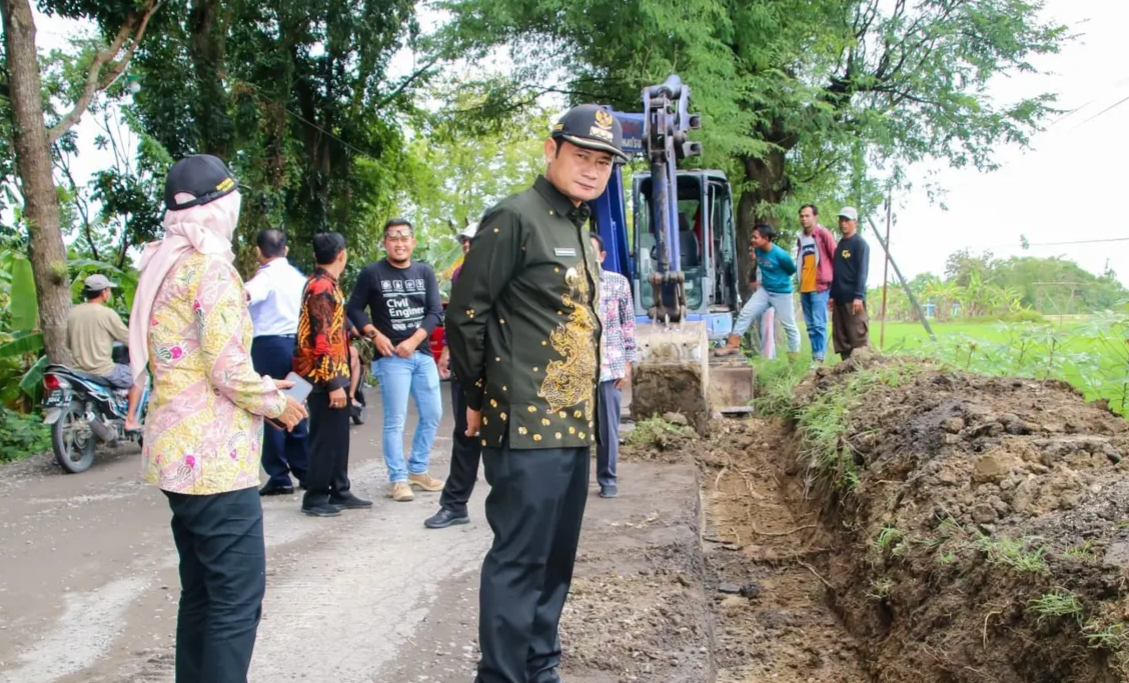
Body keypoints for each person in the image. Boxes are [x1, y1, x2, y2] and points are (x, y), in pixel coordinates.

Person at [446, 103, 620, 683]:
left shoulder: (576, 223)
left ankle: (540, 667)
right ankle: (501, 675)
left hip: (572, 421)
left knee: (555, 562)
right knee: (520, 560)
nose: (592, 170)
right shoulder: (514, 217)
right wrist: (474, 398)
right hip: (524, 423)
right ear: (551, 151)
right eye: (581, 156)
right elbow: (467, 314)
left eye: (603, 162)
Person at [128, 154, 307, 683]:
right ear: (220, 208)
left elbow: (189, 360)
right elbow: (228, 370)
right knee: (235, 599)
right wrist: (281, 404)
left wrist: (260, 385)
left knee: (203, 593)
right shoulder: (210, 268)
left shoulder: (166, 263)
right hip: (210, 459)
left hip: (175, 450)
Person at [347, 218, 445, 502]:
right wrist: (374, 335)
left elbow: (436, 311)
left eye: (404, 237)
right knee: (395, 420)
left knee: (432, 413)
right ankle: (398, 479)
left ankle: (417, 470)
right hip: (390, 359)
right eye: (393, 238)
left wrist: (414, 340)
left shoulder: (424, 272)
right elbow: (354, 308)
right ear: (385, 243)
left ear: (413, 242)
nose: (399, 243)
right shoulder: (372, 273)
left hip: (422, 355)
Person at [293, 232, 371, 517]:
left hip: (334, 371)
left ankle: (339, 489)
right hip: (324, 377)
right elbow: (321, 339)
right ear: (343, 254)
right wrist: (334, 384)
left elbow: (334, 325)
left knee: (338, 435)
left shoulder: (326, 285)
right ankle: (315, 497)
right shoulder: (321, 288)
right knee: (325, 438)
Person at [425, 222, 484, 528]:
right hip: (466, 366)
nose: (466, 246)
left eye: (472, 242)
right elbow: (456, 318)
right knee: (465, 434)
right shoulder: (461, 274)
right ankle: (455, 504)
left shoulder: (507, 274)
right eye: (464, 241)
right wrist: (447, 350)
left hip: (499, 368)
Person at [245, 228, 310, 496]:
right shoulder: (300, 278)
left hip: (268, 346)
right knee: (296, 403)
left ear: (258, 251)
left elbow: (244, 296)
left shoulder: (265, 278)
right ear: (286, 249)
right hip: (298, 344)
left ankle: (279, 475)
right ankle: (305, 470)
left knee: (270, 408)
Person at [590, 231, 635, 499]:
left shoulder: (618, 283)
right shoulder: (569, 285)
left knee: (608, 425)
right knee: (575, 430)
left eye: (591, 250)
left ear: (602, 256)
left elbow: (628, 325)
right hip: (579, 369)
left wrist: (628, 365)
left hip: (610, 367)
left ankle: (607, 479)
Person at [66, 274, 145, 430]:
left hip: (78, 372)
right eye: (108, 290)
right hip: (103, 370)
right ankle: (130, 420)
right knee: (140, 377)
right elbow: (129, 339)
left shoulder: (72, 313)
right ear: (104, 293)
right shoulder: (106, 313)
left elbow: (68, 344)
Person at [716, 225, 802, 361]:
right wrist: (760, 283)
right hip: (765, 291)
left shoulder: (781, 255)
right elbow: (759, 262)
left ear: (766, 239)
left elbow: (791, 271)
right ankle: (733, 344)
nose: (752, 240)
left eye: (755, 237)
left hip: (782, 294)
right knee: (745, 313)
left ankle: (793, 358)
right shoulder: (758, 250)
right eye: (752, 237)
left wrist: (777, 282)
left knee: (789, 325)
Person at [795, 204, 837, 363]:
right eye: (802, 216)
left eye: (807, 215)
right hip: (805, 286)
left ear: (815, 217)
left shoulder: (823, 234)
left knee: (819, 324)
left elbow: (835, 257)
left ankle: (820, 359)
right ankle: (816, 358)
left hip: (820, 287)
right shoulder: (801, 238)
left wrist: (834, 287)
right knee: (811, 325)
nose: (804, 219)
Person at [829, 206, 871, 360]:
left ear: (855, 222)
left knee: (857, 336)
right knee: (842, 338)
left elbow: (862, 272)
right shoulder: (840, 245)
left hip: (853, 300)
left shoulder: (860, 244)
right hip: (839, 299)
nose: (843, 223)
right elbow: (837, 271)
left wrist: (859, 296)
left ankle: (862, 371)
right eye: (841, 219)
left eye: (847, 220)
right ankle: (845, 372)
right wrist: (832, 295)